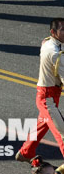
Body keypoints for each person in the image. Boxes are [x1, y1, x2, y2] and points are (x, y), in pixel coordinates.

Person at [15, 19, 64, 164]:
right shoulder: (56, 54)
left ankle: (26, 152)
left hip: (48, 94)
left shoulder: (47, 42)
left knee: (42, 125)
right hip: (48, 98)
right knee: (61, 132)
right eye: (63, 30)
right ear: (53, 33)